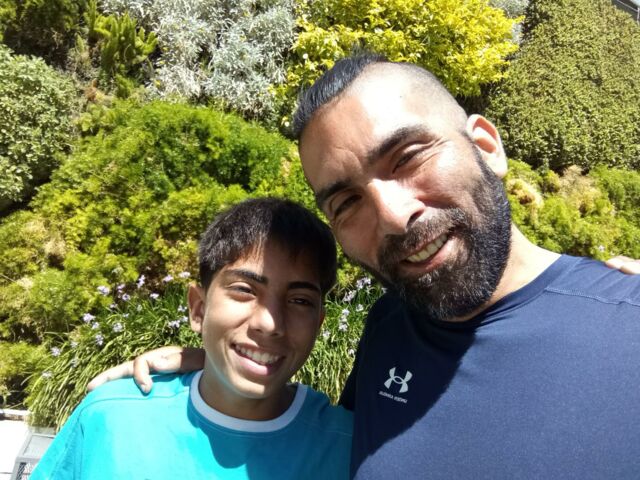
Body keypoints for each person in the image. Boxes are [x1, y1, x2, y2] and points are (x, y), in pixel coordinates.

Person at [90, 54, 640, 479]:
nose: (394, 218)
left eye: (408, 157)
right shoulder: (390, 329)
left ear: (486, 145)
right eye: (347, 201)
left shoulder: (626, 328)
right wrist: (208, 368)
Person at [32, 198, 352, 479]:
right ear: (198, 309)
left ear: (318, 323)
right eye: (244, 290)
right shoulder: (109, 417)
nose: (270, 323)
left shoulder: (349, 447)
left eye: (300, 300)